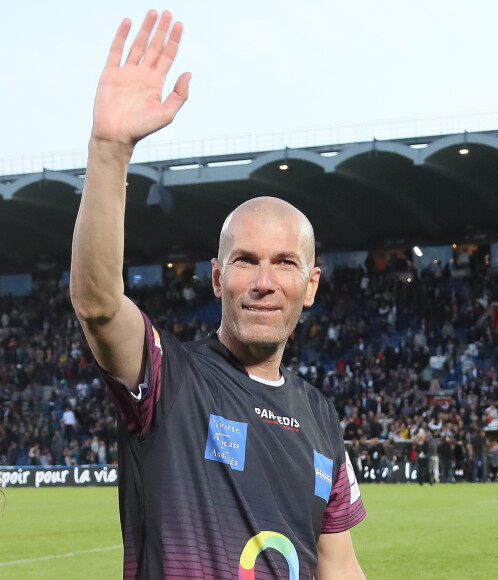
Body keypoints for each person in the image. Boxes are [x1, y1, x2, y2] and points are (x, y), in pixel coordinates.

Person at [70, 10, 366, 579]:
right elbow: (98, 304)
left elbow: (340, 566)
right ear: (215, 277)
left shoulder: (322, 417)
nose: (262, 282)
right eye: (244, 261)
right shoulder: (166, 380)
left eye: (284, 264)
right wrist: (109, 150)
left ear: (310, 286)